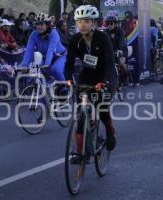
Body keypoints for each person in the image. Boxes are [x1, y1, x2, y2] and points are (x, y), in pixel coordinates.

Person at [64, 5, 118, 157]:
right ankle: (80, 153)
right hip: (87, 74)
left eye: (87, 21)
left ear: (94, 23)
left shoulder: (102, 37)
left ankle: (109, 131)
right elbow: (68, 63)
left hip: (105, 75)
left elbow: (109, 61)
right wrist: (68, 79)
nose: (83, 25)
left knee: (101, 106)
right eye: (80, 21)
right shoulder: (75, 39)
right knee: (81, 112)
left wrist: (105, 82)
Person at [19, 12, 66, 82]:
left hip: (59, 56)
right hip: (45, 57)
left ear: (47, 25)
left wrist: (46, 65)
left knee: (56, 69)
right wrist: (24, 65)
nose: (39, 27)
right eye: (37, 24)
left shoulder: (54, 34)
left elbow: (50, 50)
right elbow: (28, 50)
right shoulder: (34, 34)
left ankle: (64, 88)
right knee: (37, 72)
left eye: (41, 24)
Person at [104, 15, 128, 84]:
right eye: (107, 24)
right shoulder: (105, 32)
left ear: (115, 24)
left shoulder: (120, 30)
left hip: (122, 50)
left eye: (111, 23)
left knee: (121, 63)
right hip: (111, 51)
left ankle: (125, 78)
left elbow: (122, 41)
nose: (109, 25)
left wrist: (120, 50)